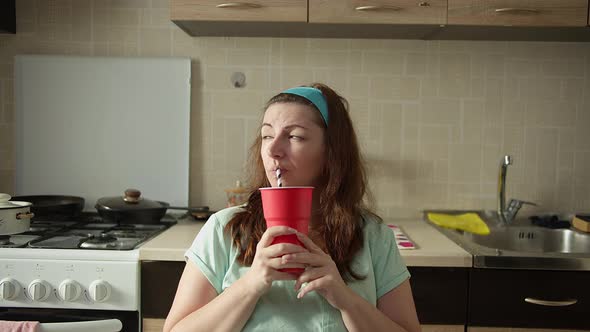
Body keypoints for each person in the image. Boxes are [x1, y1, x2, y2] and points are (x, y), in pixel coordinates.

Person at [164, 83, 421, 332]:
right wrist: (251, 285)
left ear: (332, 152)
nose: (273, 150)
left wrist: (346, 300)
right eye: (267, 135)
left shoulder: (373, 236)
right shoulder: (224, 229)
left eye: (295, 136)